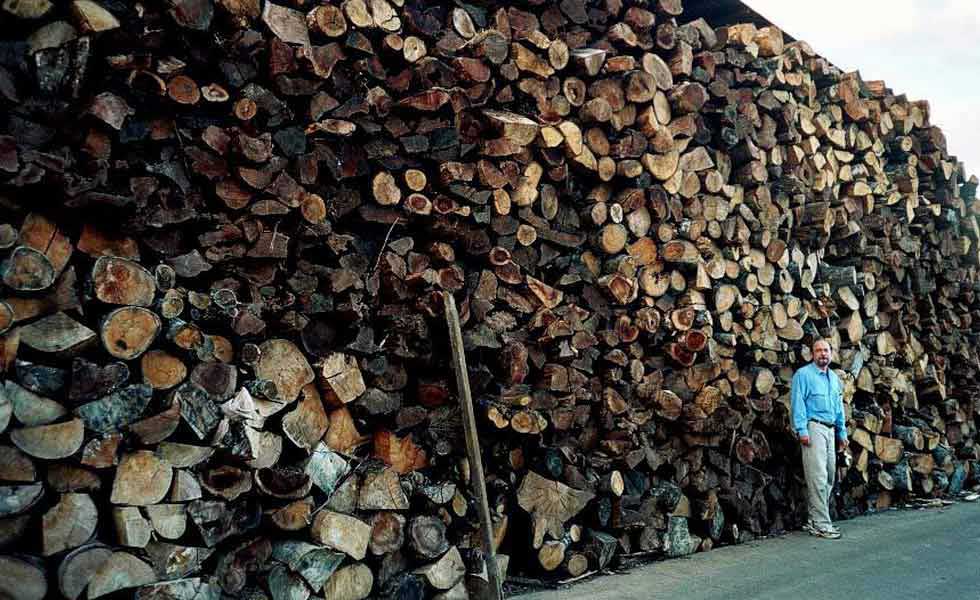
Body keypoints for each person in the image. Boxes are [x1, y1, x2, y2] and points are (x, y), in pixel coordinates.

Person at [791, 338, 847, 539]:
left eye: (826, 350)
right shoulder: (803, 375)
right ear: (812, 354)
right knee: (818, 478)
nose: (823, 354)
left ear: (831, 353)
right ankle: (822, 524)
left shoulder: (834, 378)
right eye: (818, 350)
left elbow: (839, 408)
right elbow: (797, 403)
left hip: (831, 430)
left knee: (830, 475)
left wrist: (842, 433)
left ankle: (814, 519)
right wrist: (801, 430)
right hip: (814, 428)